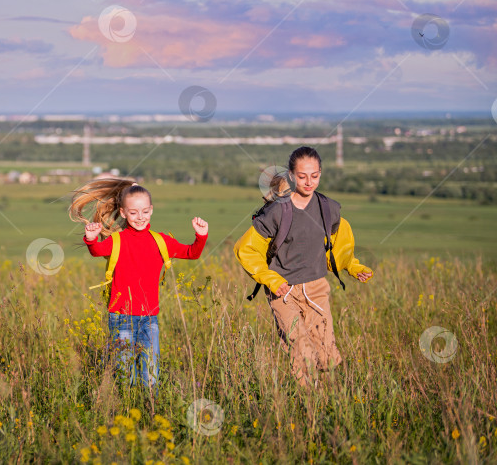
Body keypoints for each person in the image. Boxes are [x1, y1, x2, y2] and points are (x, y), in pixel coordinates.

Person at [234, 146, 372, 386]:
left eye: (315, 175)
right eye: (302, 175)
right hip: (284, 291)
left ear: (320, 174)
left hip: (317, 288)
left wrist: (353, 266)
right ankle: (309, 407)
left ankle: (322, 401)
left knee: (327, 357)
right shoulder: (278, 211)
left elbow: (339, 244)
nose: (309, 182)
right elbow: (245, 249)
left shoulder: (329, 209)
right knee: (302, 349)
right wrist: (272, 280)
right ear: (290, 174)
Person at [70, 179, 208, 388]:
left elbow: (192, 253)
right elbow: (97, 251)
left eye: (144, 211)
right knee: (125, 374)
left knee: (150, 373)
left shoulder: (161, 240)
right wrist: (91, 239)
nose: (140, 217)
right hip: (121, 317)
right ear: (123, 213)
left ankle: (149, 411)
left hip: (149, 319)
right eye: (133, 213)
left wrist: (201, 235)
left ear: (151, 210)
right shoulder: (117, 240)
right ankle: (125, 409)